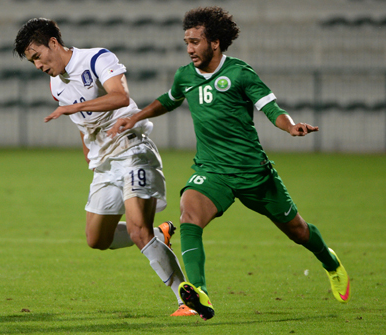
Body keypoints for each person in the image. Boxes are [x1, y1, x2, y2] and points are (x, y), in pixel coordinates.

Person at [107, 6, 350, 321]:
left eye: (195, 42)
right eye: (186, 42)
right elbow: (168, 100)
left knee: (298, 230)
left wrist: (290, 126)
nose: (190, 49)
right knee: (190, 215)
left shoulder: (240, 73)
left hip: (253, 174)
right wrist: (136, 117)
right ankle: (198, 291)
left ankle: (330, 263)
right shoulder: (185, 76)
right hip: (212, 172)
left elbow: (271, 108)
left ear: (215, 43)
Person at [14, 18, 197, 316]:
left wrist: (71, 109)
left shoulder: (98, 58)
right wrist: (88, 150)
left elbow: (119, 96)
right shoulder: (55, 85)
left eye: (37, 56)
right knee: (97, 239)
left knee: (138, 231)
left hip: (133, 148)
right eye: (31, 62)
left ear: (53, 43)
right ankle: (158, 234)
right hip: (105, 162)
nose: (37, 66)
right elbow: (83, 125)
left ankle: (185, 300)